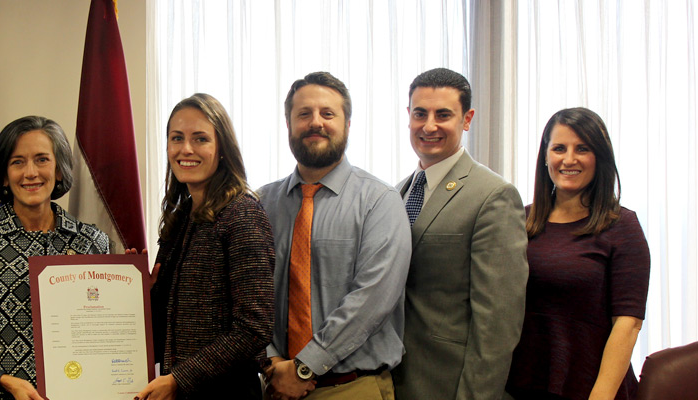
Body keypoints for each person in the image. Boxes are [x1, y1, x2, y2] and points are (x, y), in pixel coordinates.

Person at [0, 116, 110, 400]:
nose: (30, 172)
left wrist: (135, 294)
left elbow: (106, 337)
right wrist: (3, 381)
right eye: (17, 162)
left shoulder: (92, 243)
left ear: (60, 170)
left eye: (42, 159)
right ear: (4, 175)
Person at [259, 72, 412, 400]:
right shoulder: (262, 204)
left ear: (348, 124)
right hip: (275, 385)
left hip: (352, 388)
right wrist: (271, 360)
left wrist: (306, 366)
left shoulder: (379, 202)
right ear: (288, 124)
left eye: (328, 114)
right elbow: (250, 294)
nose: (316, 122)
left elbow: (371, 300)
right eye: (304, 114)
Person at [392, 67, 528, 400]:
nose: (429, 126)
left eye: (443, 115)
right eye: (420, 114)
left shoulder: (493, 195)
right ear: (408, 116)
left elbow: (497, 323)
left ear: (466, 119)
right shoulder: (397, 193)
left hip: (450, 385)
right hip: (393, 381)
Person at [135, 93, 275, 400]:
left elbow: (254, 328)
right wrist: (140, 294)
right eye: (177, 138)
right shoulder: (180, 216)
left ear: (222, 148)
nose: (186, 149)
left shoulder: (242, 215)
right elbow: (172, 322)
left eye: (200, 139)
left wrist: (179, 379)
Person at [506, 108, 649, 400]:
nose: (569, 159)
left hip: (591, 388)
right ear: (545, 156)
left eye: (582, 148)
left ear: (599, 157)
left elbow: (628, 323)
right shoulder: (518, 221)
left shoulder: (622, 226)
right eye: (559, 148)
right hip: (518, 385)